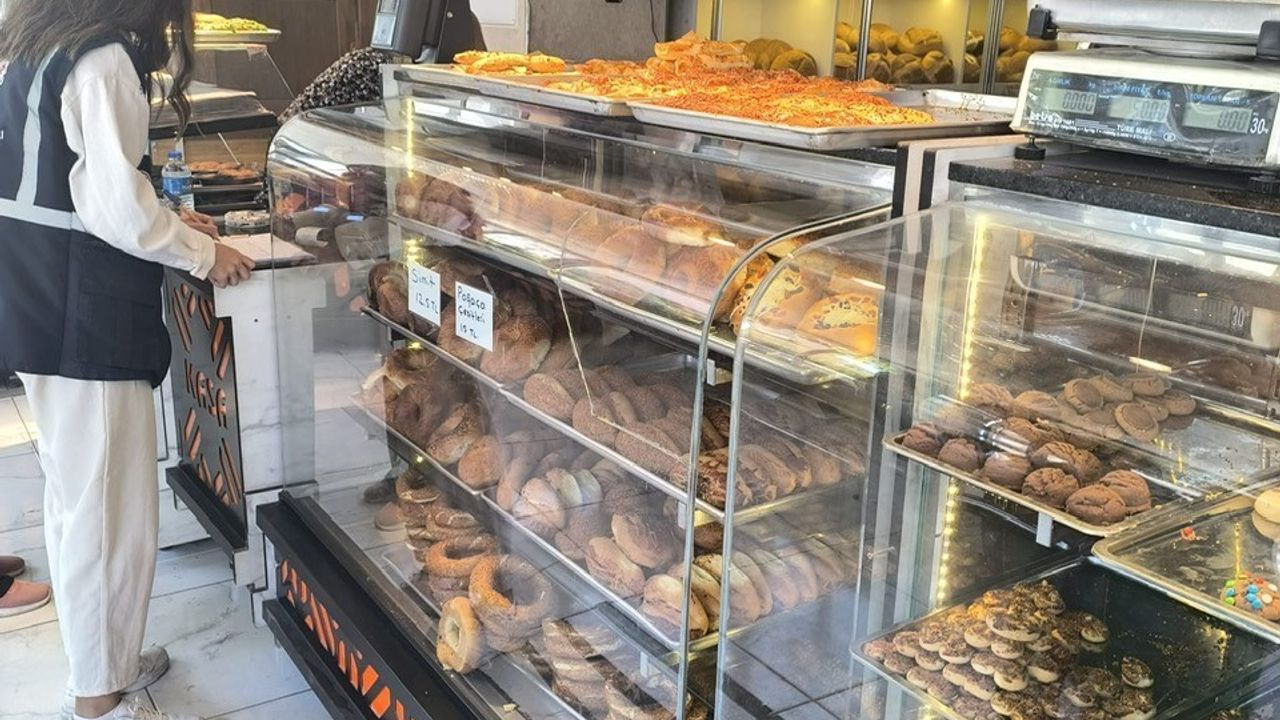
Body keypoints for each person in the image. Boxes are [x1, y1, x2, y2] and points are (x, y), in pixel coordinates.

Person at [0, 2, 254, 719]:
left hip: (34, 291)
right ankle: (99, 693)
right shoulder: (103, 57)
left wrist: (167, 220)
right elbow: (114, 205)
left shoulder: (39, 39)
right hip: (82, 306)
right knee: (109, 512)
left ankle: (101, 661)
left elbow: (79, 181)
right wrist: (202, 252)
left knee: (78, 496)